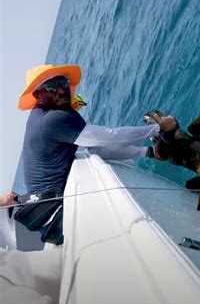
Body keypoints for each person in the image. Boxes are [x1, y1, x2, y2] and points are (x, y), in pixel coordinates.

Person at [11, 64, 178, 246]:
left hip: (47, 205)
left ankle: (151, 152)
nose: (60, 90)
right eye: (51, 87)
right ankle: (155, 147)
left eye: (63, 82)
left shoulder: (45, 111)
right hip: (56, 215)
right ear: (38, 96)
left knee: (92, 149)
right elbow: (110, 137)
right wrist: (158, 128)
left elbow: (79, 109)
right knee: (97, 144)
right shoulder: (52, 120)